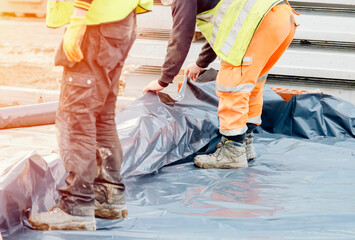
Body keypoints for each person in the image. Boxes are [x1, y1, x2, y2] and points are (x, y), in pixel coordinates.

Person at [28, 0, 153, 231]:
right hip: (120, 21)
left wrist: (78, 16)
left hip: (96, 23)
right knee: (102, 115)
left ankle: (76, 206)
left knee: (77, 115)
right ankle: (107, 196)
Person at [143, 0, 298, 169]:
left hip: (260, 22)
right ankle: (244, 144)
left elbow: (181, 34)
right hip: (281, 17)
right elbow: (226, 31)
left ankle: (233, 152)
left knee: (231, 84)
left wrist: (163, 80)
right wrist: (201, 64)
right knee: (251, 83)